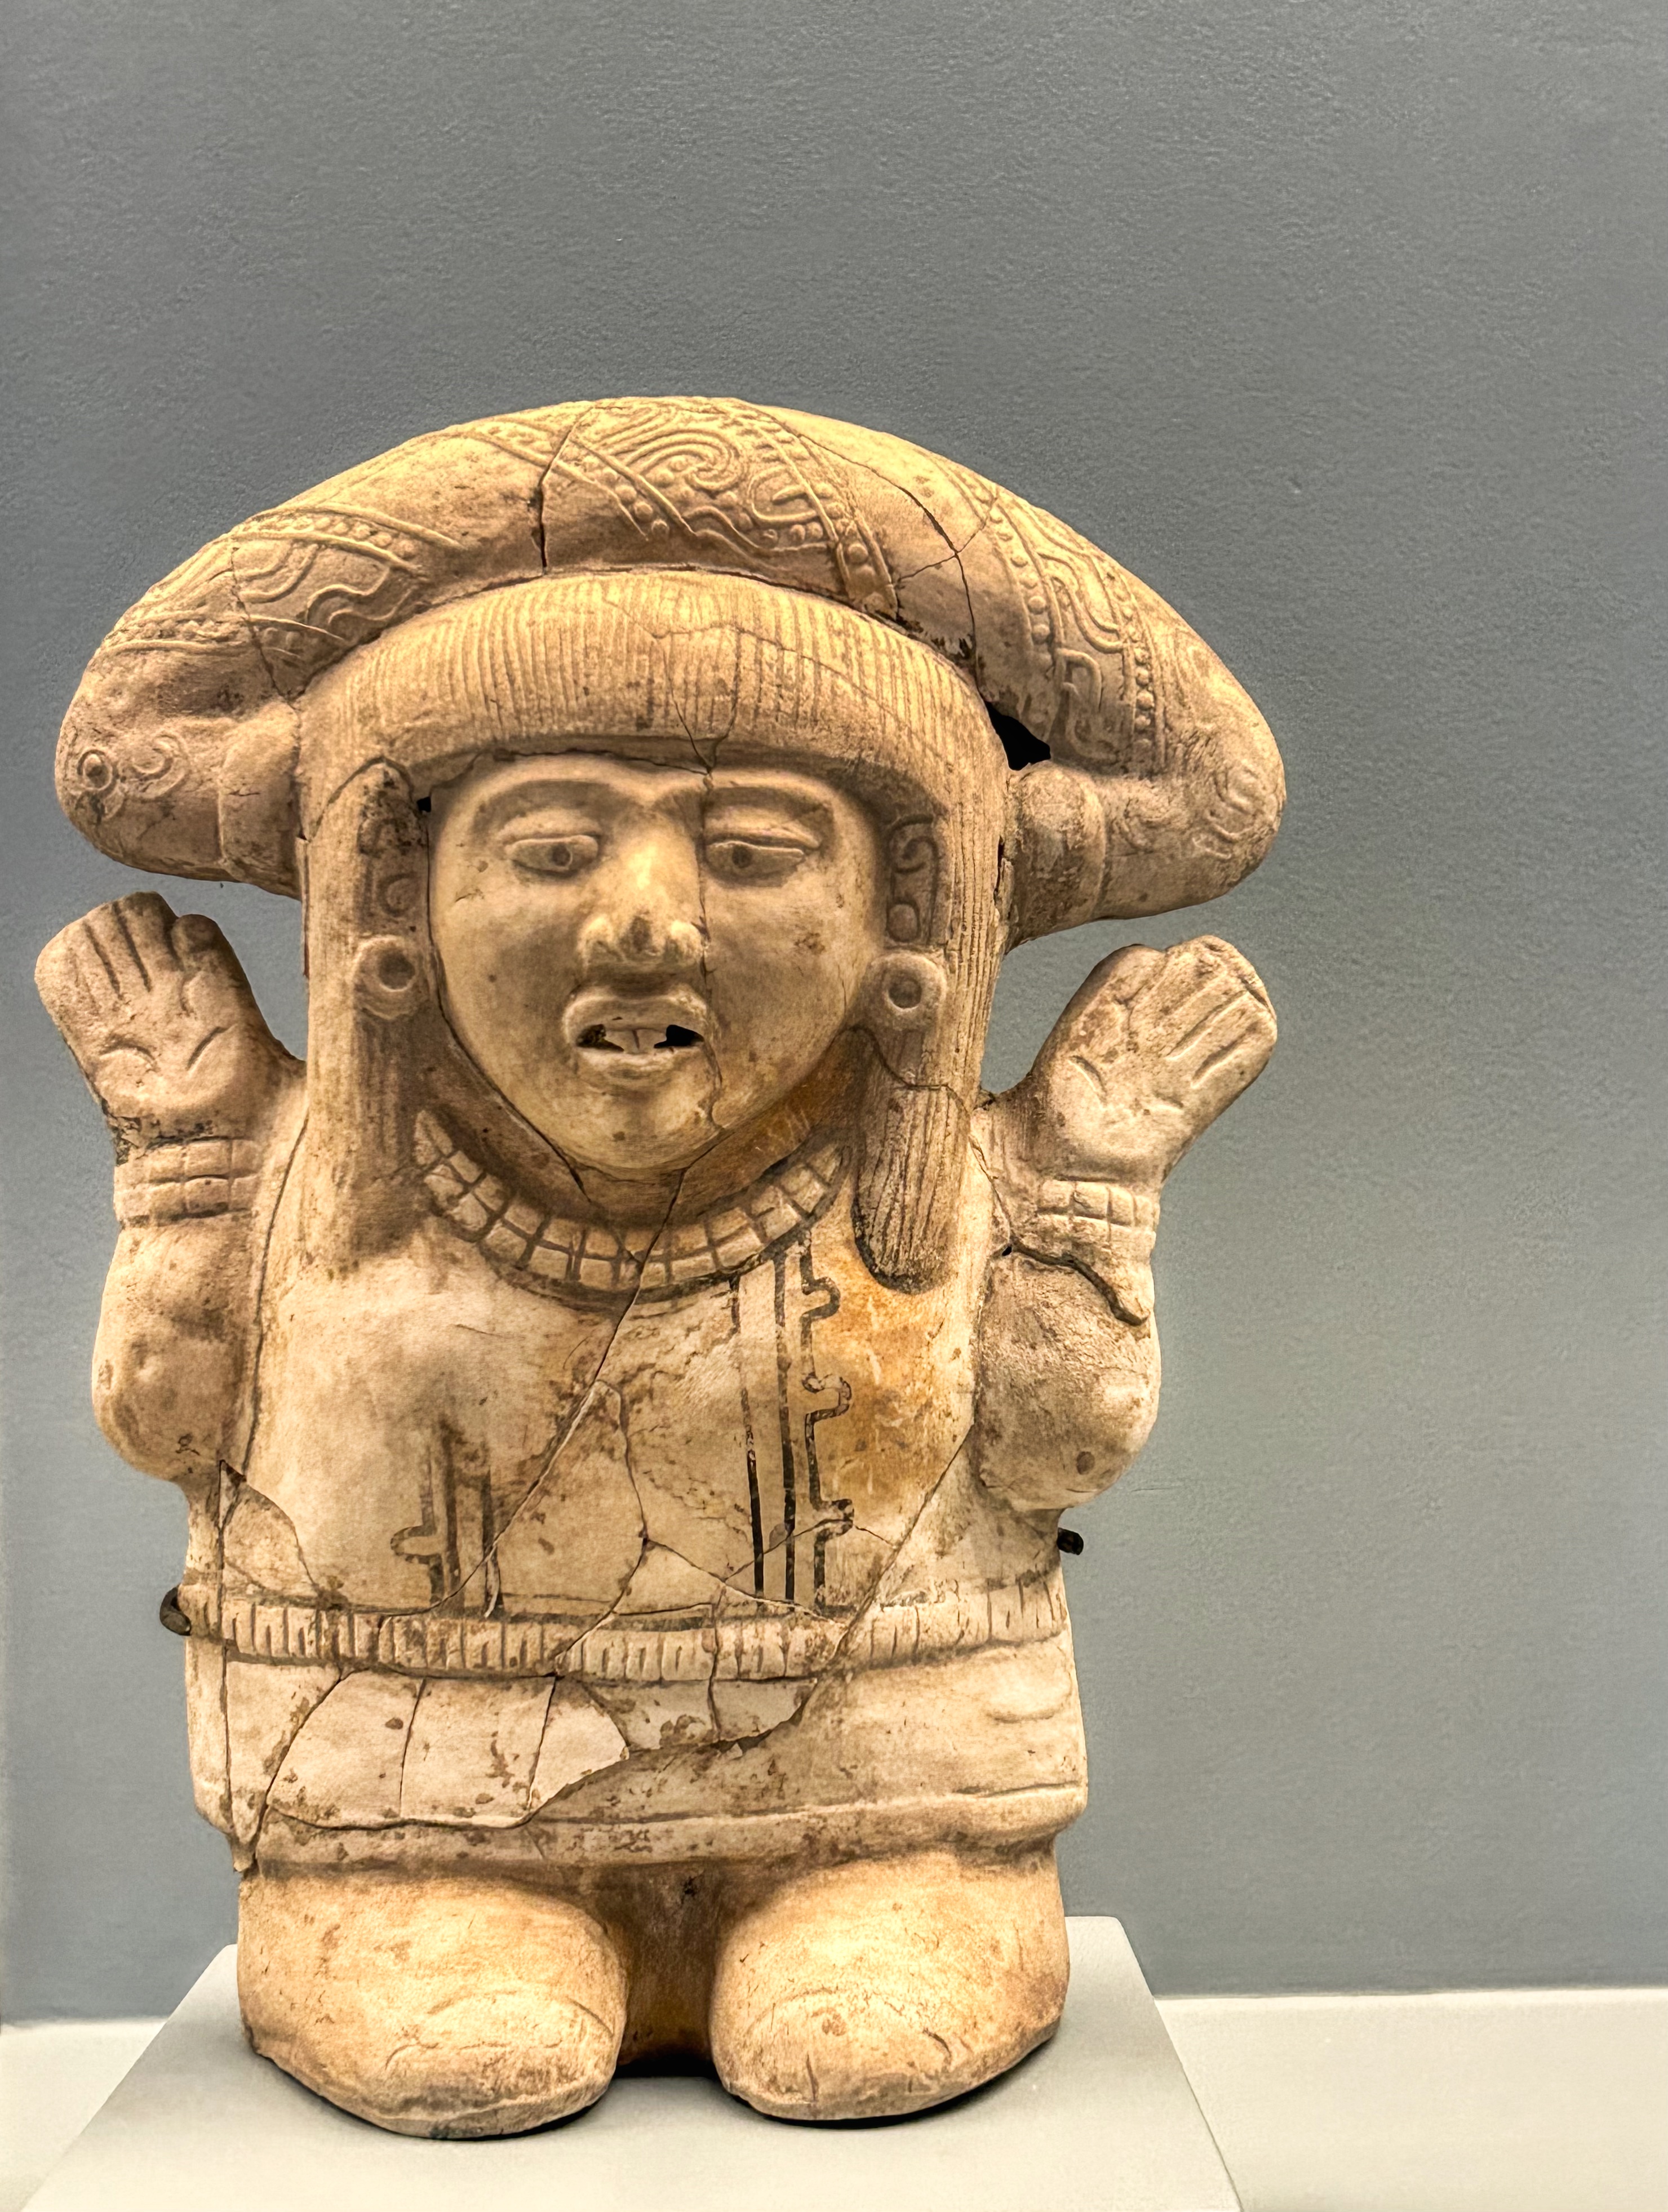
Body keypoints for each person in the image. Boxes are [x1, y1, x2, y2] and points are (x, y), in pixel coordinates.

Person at [38, 397, 1281, 2135]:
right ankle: (416, 1916)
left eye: (756, 853)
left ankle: (877, 1897)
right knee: (473, 2029)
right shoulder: (310, 1173)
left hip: (890, 1807)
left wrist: (1087, 1183)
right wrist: (183, 1164)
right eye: (546, 849)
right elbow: (164, 1422)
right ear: (395, 919)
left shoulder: (932, 1185)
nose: (640, 919)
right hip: (407, 1822)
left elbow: (1058, 1446)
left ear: (904, 937)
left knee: (862, 2024)